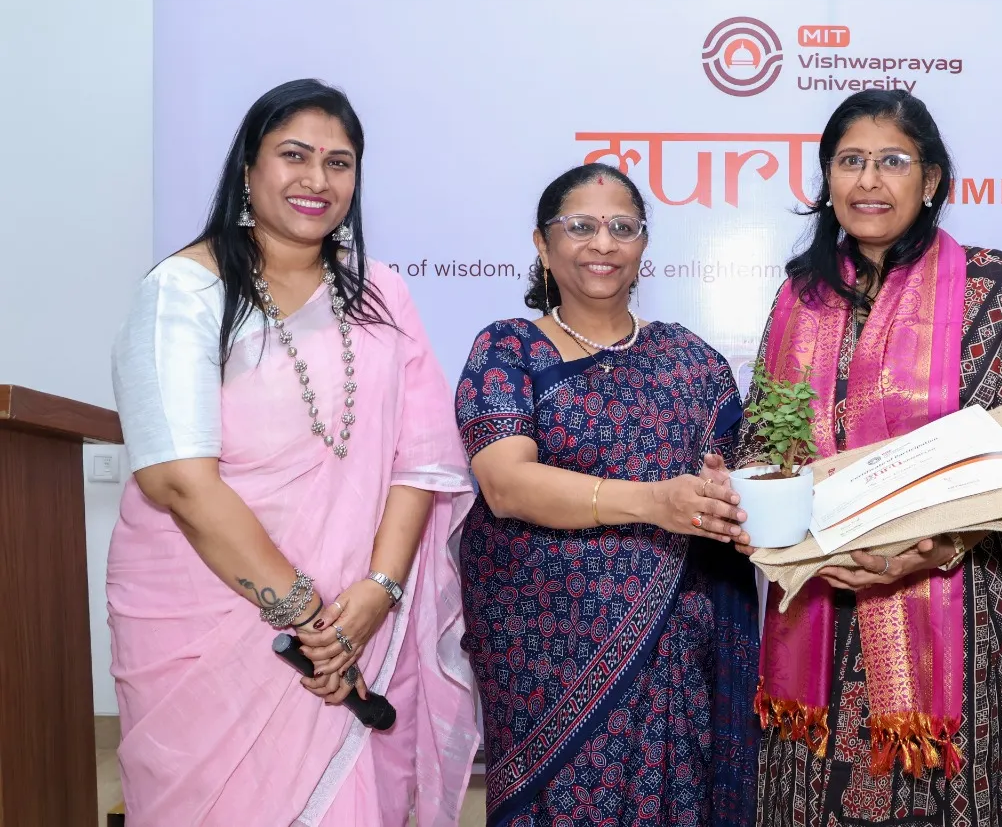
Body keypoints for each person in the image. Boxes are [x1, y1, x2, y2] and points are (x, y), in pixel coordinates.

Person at [107, 79, 479, 826]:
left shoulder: (381, 295)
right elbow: (180, 482)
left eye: (339, 163)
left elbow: (421, 459)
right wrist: (310, 617)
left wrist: (377, 592)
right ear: (248, 167)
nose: (318, 179)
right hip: (210, 610)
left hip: (357, 612)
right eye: (295, 155)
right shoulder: (185, 290)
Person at [731, 89, 1002, 827]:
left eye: (893, 161)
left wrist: (930, 550)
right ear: (827, 179)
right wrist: (783, 531)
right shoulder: (799, 298)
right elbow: (763, 442)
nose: (869, 181)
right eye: (850, 161)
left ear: (932, 180)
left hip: (952, 602)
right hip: (817, 594)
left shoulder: (996, 292)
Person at [453, 163, 761, 827]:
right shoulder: (509, 350)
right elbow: (505, 484)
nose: (603, 244)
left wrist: (725, 493)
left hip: (676, 657)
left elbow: (738, 486)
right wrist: (653, 503)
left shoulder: (693, 361)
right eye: (580, 227)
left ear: (643, 245)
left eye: (623, 227)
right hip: (544, 663)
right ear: (542, 244)